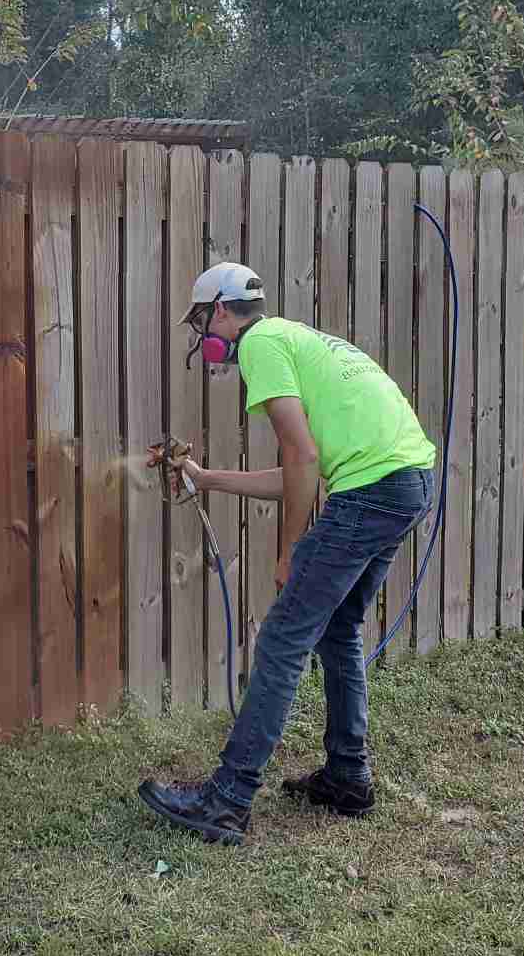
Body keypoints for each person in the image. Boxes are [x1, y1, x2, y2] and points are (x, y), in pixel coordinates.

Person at [137, 260, 438, 845]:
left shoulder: (260, 345)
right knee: (340, 627)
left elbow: (301, 459)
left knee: (282, 639)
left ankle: (227, 801)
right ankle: (348, 778)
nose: (205, 336)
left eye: (204, 321)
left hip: (372, 488)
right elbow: (301, 469)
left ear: (222, 310)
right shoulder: (300, 338)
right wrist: (206, 477)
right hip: (409, 479)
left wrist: (289, 550)